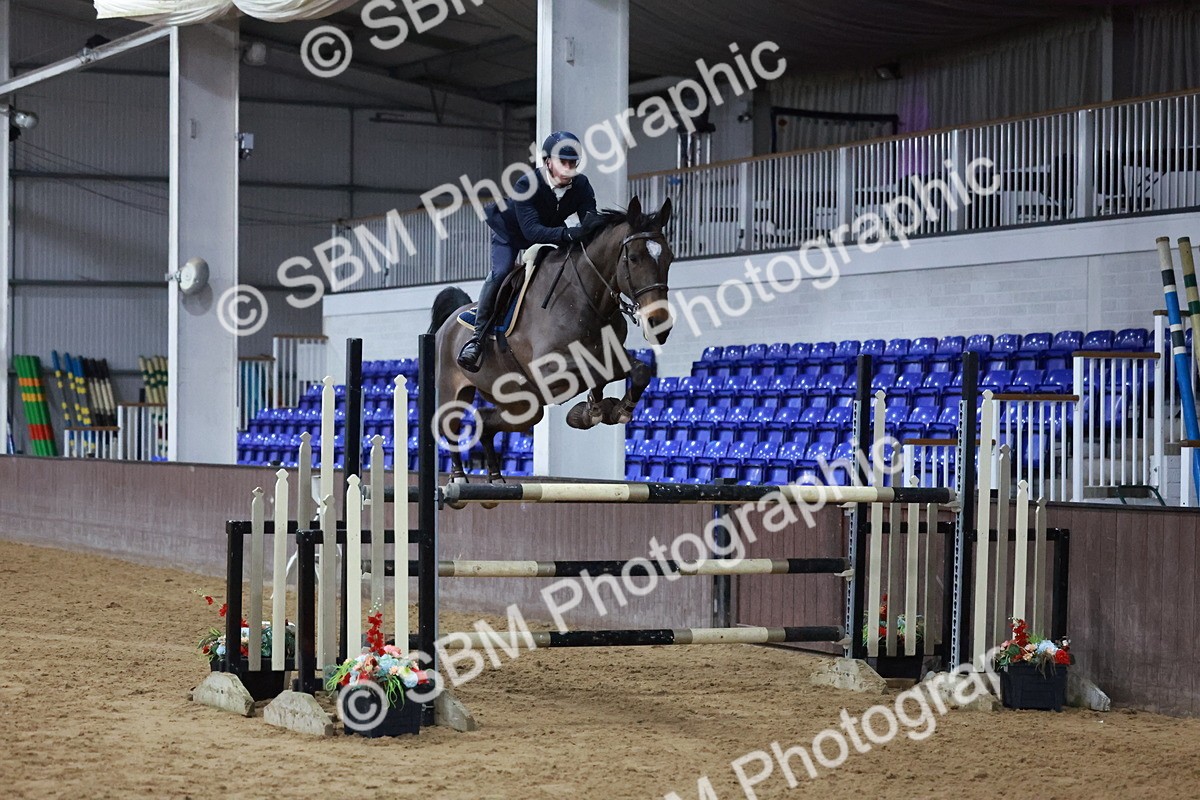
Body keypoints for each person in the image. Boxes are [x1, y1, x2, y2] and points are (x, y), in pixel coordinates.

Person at [457, 130, 597, 373]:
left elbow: (590, 220)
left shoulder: (581, 185)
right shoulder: (526, 184)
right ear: (547, 162)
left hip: (550, 229)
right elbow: (532, 232)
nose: (569, 168)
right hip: (511, 234)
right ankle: (477, 339)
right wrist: (567, 234)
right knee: (501, 274)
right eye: (563, 162)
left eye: (573, 163)